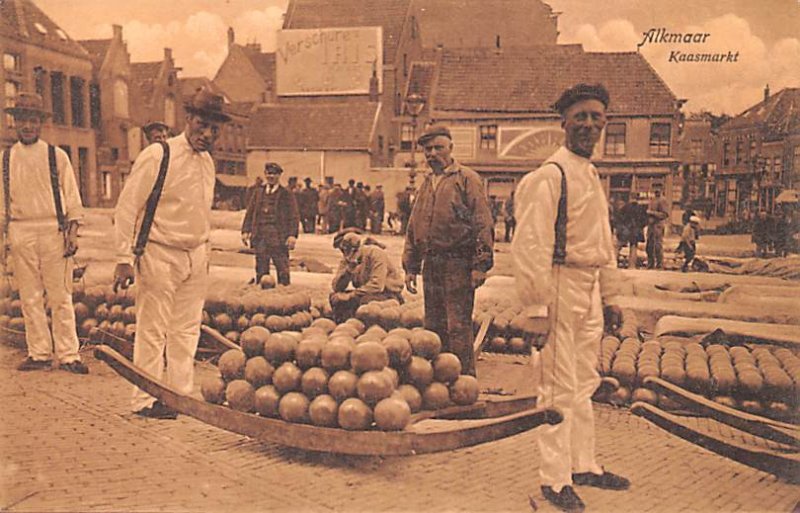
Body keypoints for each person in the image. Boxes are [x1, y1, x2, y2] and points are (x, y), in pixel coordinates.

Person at [512, 83, 630, 512]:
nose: (589, 124)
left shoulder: (591, 174)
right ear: (563, 121)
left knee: (584, 383)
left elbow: (604, 240)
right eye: (580, 116)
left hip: (590, 286)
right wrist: (536, 307)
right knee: (558, 387)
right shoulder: (550, 175)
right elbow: (530, 245)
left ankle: (584, 465)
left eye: (597, 116)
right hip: (559, 283)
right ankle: (554, 479)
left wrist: (612, 295)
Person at [113, 88, 231, 418]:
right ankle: (145, 399)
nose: (207, 134)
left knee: (186, 330)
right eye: (202, 125)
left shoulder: (207, 163)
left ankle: (180, 396)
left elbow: (199, 212)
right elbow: (127, 207)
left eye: (214, 129)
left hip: (194, 256)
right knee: (152, 330)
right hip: (159, 253)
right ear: (188, 119)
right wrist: (123, 258)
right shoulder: (159, 155)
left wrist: (204, 252)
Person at [0, 92, 87, 374]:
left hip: (53, 229)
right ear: (15, 123)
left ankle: (69, 354)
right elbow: (2, 202)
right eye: (22, 120)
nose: (27, 126)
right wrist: (4, 239)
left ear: (40, 123)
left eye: (32, 120)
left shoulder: (56, 155)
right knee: (30, 295)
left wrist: (72, 232)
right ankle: (38, 352)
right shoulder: (5, 159)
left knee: (60, 294)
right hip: (20, 230)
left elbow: (72, 198)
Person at [402, 124, 494, 377]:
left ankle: (464, 381)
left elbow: (482, 222)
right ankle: (439, 380)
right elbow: (414, 224)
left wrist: (480, 264)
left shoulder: (467, 179)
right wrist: (410, 266)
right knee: (433, 324)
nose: (432, 154)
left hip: (458, 263)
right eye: (428, 150)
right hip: (431, 263)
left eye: (438, 148)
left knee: (458, 325)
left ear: (451, 148)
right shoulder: (427, 184)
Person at [241, 163, 299, 286]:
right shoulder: (258, 192)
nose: (271, 176)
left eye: (274, 174)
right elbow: (250, 213)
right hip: (260, 236)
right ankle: (263, 297)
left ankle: (284, 295)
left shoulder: (286, 194)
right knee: (261, 269)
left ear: (279, 175)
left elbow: (294, 216)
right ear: (265, 174)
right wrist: (245, 231)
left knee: (282, 269)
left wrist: (292, 236)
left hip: (278, 238)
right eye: (268, 174)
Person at [329, 231, 403, 323]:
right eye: (343, 251)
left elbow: (377, 286)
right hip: (364, 293)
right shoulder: (347, 260)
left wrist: (351, 295)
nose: (345, 254)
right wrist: (348, 271)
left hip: (387, 294)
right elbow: (336, 287)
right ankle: (346, 324)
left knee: (365, 303)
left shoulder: (376, 254)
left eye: (349, 251)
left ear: (357, 249)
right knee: (335, 298)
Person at [645, 187, 669, 269]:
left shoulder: (663, 200)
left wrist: (652, 213)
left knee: (658, 246)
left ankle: (659, 264)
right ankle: (650, 263)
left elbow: (665, 214)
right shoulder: (652, 200)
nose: (656, 191)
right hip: (651, 225)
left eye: (658, 190)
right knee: (649, 246)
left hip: (658, 225)